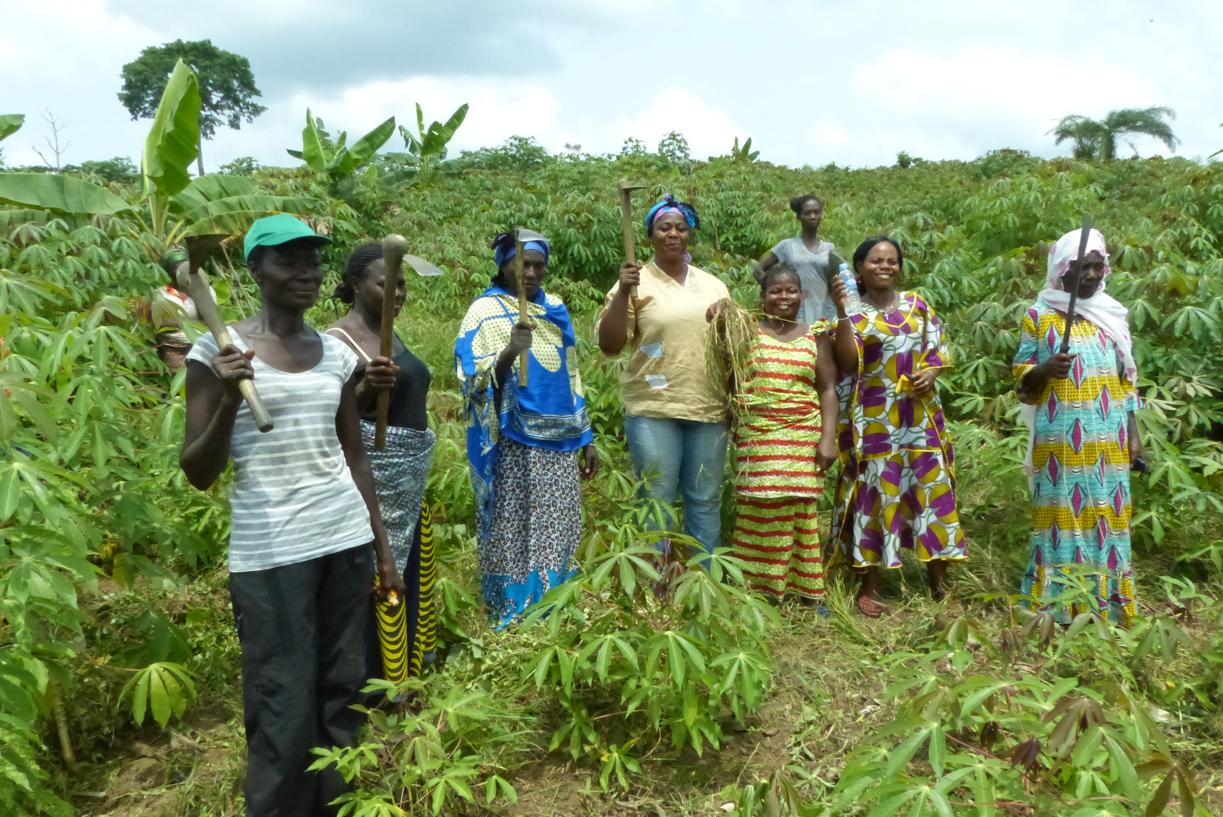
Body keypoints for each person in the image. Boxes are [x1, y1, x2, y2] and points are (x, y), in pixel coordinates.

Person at [180, 214, 404, 817]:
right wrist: (230, 397)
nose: (305, 273)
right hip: (271, 554)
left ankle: (338, 806)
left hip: (344, 541)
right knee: (281, 701)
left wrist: (384, 553)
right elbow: (198, 470)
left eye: (312, 261)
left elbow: (355, 458)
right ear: (256, 269)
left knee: (343, 693)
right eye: (288, 261)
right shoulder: (216, 352)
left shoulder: (334, 352)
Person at [455, 231, 597, 628]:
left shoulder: (555, 308)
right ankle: (511, 607)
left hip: (561, 438)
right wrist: (509, 353)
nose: (531, 273)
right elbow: (471, 378)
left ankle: (553, 605)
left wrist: (586, 436)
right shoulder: (484, 311)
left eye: (538, 265)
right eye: (523, 265)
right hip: (512, 437)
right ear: (504, 265)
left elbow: (571, 374)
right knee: (512, 522)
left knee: (558, 522)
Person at [829, 236, 966, 617]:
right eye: (875, 261)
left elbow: (937, 351)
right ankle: (869, 586)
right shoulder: (851, 313)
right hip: (874, 421)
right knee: (875, 495)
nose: (884, 266)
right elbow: (847, 362)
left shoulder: (917, 305)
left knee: (930, 494)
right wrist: (842, 310)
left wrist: (931, 372)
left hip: (920, 420)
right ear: (859, 269)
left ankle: (939, 582)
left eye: (891, 260)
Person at [1013, 227, 1143, 625]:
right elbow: (1022, 383)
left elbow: (1126, 383)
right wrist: (1044, 369)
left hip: (1109, 441)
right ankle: (1057, 606)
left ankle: (1107, 603)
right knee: (1060, 517)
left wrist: (1134, 436)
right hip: (1060, 441)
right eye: (1081, 267)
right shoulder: (1039, 317)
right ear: (1062, 271)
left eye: (1096, 266)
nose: (1090, 275)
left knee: (1106, 514)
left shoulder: (1112, 315)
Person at [597, 195, 731, 558]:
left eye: (681, 227)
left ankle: (705, 578)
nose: (673, 234)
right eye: (664, 227)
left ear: (690, 234)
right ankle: (654, 582)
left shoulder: (714, 286)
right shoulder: (636, 282)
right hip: (653, 409)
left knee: (704, 498)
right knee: (655, 497)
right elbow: (610, 345)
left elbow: (732, 347)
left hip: (707, 407)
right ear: (650, 236)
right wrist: (623, 291)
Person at [326, 241, 437, 675]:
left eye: (403, 285)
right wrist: (367, 387)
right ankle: (378, 679)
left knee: (406, 573)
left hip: (408, 477)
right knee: (379, 574)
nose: (398, 293)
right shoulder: (338, 341)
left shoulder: (389, 329)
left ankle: (406, 669)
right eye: (386, 284)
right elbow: (338, 418)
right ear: (356, 284)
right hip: (375, 476)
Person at [712, 266, 839, 604]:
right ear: (763, 296)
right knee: (760, 509)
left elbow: (827, 388)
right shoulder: (747, 331)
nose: (784, 297)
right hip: (759, 434)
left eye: (791, 291)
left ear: (802, 295)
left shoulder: (816, 334)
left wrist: (828, 439)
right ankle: (757, 591)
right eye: (775, 291)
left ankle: (806, 590)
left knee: (799, 512)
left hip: (801, 435)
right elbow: (730, 379)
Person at [754, 194, 837, 324]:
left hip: (824, 311)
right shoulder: (787, 246)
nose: (813, 216)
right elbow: (758, 269)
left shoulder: (829, 249)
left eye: (816, 212)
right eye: (807, 213)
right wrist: (774, 291)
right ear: (799, 217)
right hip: (794, 311)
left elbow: (835, 281)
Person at [151, 248, 213, 373]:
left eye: (184, 266)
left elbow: (209, 319)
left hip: (202, 346)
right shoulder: (160, 295)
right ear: (168, 272)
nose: (181, 271)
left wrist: (197, 293)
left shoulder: (205, 290)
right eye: (175, 267)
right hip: (173, 348)